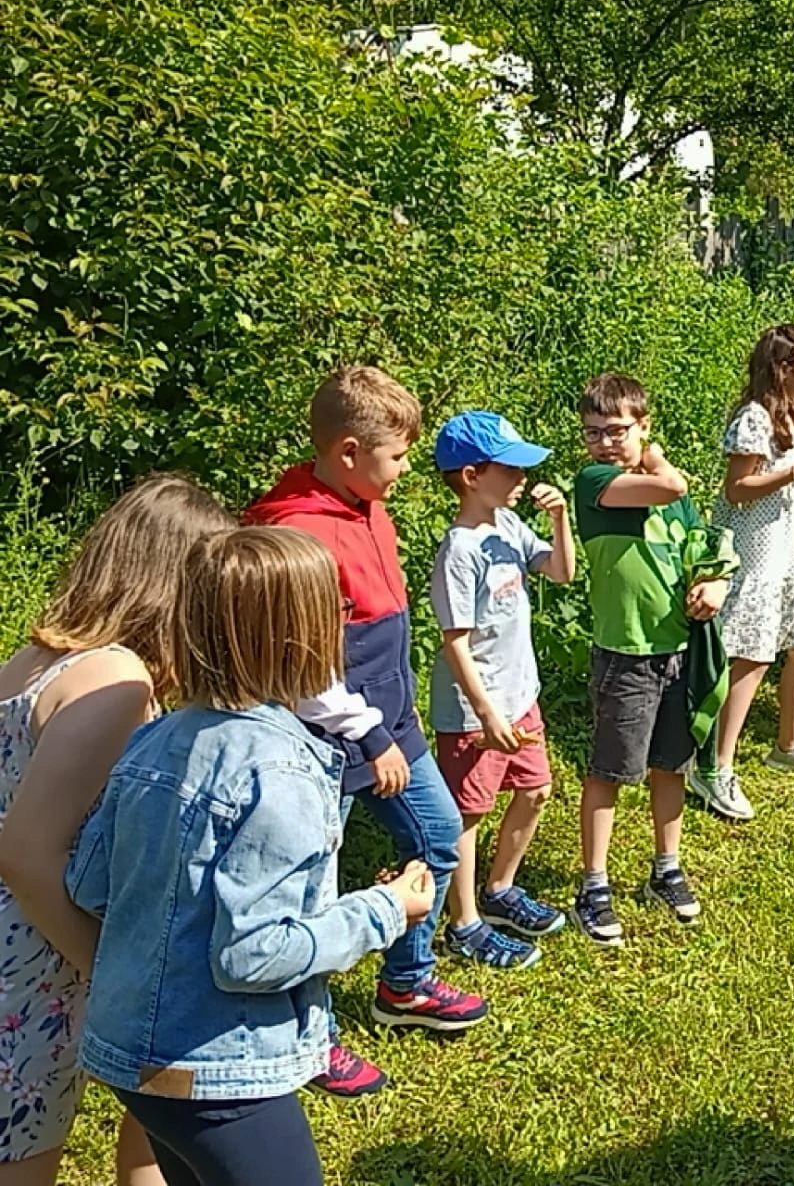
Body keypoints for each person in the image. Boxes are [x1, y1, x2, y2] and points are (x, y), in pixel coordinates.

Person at [65, 526, 436, 1186]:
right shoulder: (279, 772)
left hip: (129, 1051)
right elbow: (253, 955)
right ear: (302, 637)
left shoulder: (151, 740)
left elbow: (90, 884)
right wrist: (386, 909)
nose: (344, 628)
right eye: (336, 614)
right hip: (219, 1070)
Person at [245, 366, 483, 1099]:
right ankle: (309, 1038)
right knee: (308, 890)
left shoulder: (362, 501)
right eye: (399, 457)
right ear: (348, 451)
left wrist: (391, 726)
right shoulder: (293, 530)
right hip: (324, 738)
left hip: (390, 718)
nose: (408, 472)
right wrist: (368, 736)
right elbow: (301, 663)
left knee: (438, 835)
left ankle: (404, 985)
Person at [0, 474, 233, 1186]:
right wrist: (114, 978)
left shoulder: (39, 656)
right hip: (29, 963)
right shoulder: (117, 681)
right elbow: (26, 854)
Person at [571, 372, 734, 947]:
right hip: (626, 654)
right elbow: (670, 487)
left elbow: (707, 550)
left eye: (617, 431)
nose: (605, 443)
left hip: (678, 649)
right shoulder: (594, 483)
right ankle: (593, 885)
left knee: (672, 764)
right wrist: (658, 460)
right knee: (612, 770)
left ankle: (667, 866)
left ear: (643, 425)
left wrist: (713, 588)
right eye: (594, 433)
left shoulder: (669, 492)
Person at [428, 412, 576, 970]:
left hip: (521, 696)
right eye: (510, 468)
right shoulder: (459, 550)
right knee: (468, 814)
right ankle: (464, 923)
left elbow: (561, 572)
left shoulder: (508, 527)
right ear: (471, 475)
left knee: (535, 791)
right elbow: (455, 643)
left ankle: (500, 889)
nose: (521, 478)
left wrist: (561, 520)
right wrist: (485, 713)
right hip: (475, 712)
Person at [691, 326, 794, 824]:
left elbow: (788, 471)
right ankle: (713, 766)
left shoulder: (789, 416)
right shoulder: (754, 418)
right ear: (783, 368)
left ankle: (789, 744)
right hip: (754, 552)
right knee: (750, 658)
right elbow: (738, 489)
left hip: (787, 550)